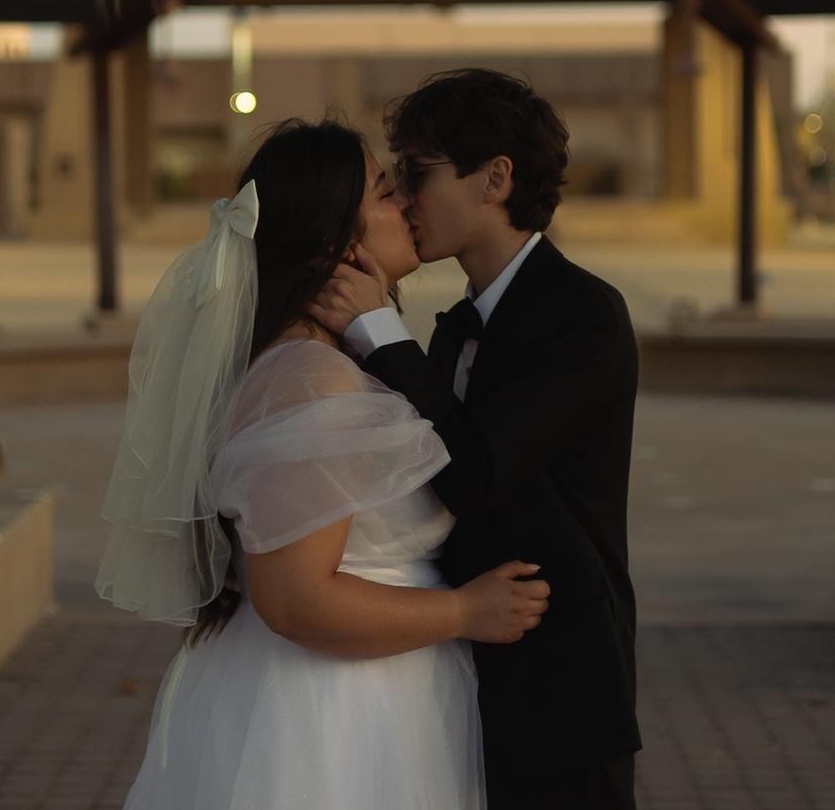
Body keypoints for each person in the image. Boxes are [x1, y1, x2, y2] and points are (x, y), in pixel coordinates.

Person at [96, 118, 549, 810]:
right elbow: (296, 599)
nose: (406, 200)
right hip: (329, 715)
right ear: (336, 239)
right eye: (383, 192)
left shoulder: (322, 361)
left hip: (359, 691)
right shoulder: (314, 380)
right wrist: (464, 611)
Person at [311, 69, 641, 810]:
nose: (403, 198)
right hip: (464, 676)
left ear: (495, 179)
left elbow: (477, 472)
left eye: (418, 173)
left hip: (562, 689)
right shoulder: (456, 328)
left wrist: (379, 332)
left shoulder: (583, 315)